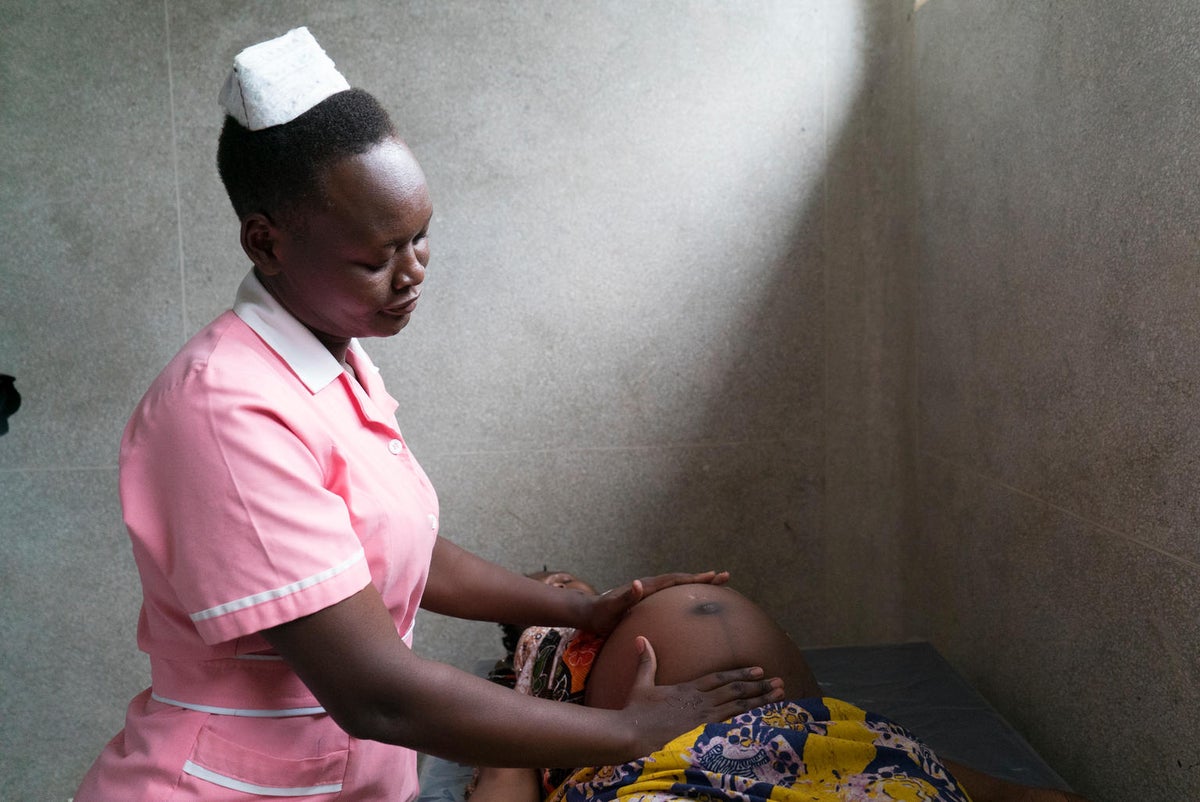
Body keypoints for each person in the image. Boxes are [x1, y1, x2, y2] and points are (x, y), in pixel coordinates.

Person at [74, 28, 782, 801]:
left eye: (420, 239)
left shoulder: (332, 362)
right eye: (375, 258)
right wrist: (630, 731)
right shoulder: (224, 410)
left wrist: (577, 607)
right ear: (265, 242)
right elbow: (377, 692)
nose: (411, 274)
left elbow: (387, 552)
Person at [468, 580, 1093, 802]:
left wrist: (1010, 793)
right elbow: (508, 758)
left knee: (869, 768)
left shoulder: (620, 608)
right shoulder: (543, 658)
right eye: (547, 585)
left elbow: (840, 739)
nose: (566, 588)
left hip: (818, 742)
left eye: (571, 581)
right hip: (668, 762)